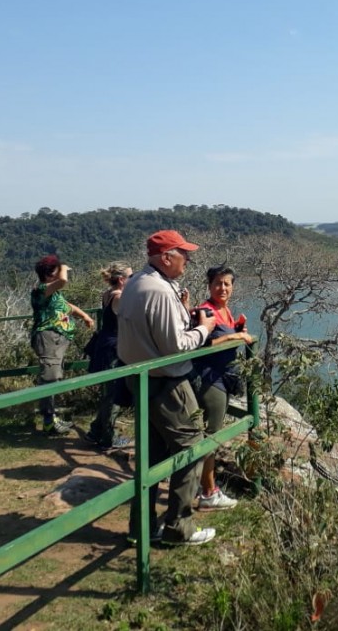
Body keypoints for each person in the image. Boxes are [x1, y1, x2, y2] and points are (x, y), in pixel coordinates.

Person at [118, 230, 218, 546]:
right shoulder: (158, 290)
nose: (187, 260)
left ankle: (141, 528)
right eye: (183, 254)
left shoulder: (135, 283)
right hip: (167, 383)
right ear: (166, 257)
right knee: (192, 449)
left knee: (153, 457)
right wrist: (204, 329)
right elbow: (175, 347)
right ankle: (179, 529)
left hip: (142, 378)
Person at [193, 265, 253, 509]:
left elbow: (225, 336)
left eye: (227, 283)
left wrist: (237, 330)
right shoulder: (205, 311)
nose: (223, 288)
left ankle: (202, 485)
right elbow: (203, 344)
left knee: (210, 435)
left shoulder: (224, 310)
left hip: (223, 378)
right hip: (210, 379)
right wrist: (234, 337)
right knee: (212, 436)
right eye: (218, 283)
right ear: (209, 285)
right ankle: (209, 492)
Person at [30, 255, 94, 435]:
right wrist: (63, 267)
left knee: (54, 376)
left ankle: (52, 418)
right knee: (50, 377)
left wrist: (85, 317)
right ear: (50, 275)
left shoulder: (53, 294)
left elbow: (68, 306)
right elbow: (64, 281)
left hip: (57, 340)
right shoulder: (40, 290)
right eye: (56, 271)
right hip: (49, 338)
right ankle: (49, 420)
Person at [85, 261, 133, 450]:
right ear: (122, 280)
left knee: (108, 392)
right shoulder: (120, 297)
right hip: (113, 348)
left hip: (105, 345)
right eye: (131, 276)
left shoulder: (108, 294)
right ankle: (108, 438)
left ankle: (96, 431)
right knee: (113, 394)